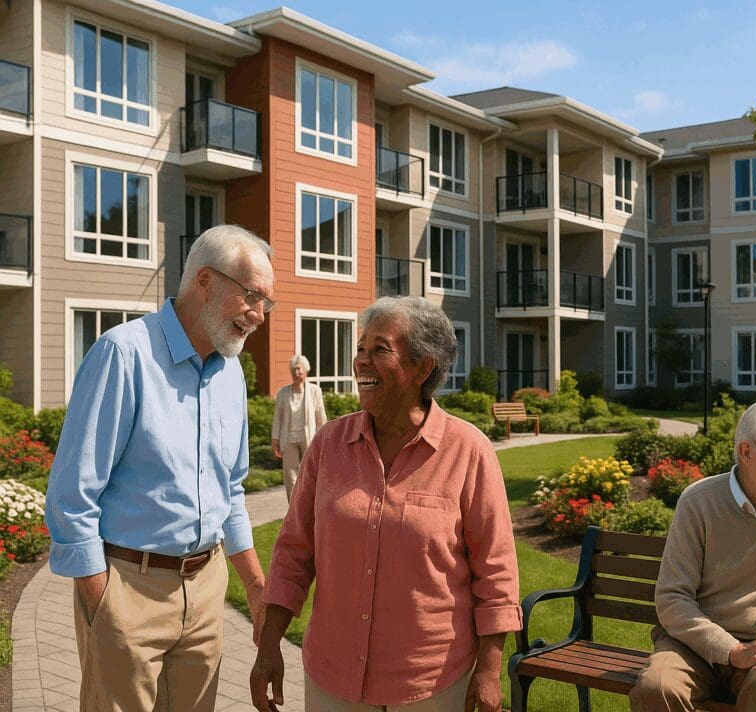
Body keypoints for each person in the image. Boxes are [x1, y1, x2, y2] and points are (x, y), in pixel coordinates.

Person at [250, 296, 521, 712]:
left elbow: (496, 575)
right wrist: (268, 645)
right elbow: (293, 553)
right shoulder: (328, 445)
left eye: (380, 349)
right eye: (360, 349)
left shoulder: (468, 452)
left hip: (432, 682)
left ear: (422, 367)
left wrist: (488, 671)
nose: (362, 361)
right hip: (332, 678)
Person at [44, 225, 273, 711]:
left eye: (266, 304)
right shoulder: (123, 354)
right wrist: (102, 601)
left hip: (208, 590)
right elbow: (72, 494)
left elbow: (230, 491)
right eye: (252, 296)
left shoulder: (230, 373)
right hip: (128, 588)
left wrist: (254, 587)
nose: (259, 316)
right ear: (206, 281)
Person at [630, 401, 756, 712]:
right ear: (746, 452)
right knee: (656, 688)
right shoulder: (698, 502)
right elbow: (673, 598)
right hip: (694, 648)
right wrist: (731, 650)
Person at [271, 354, 328, 500]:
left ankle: (310, 507)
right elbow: (278, 418)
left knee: (309, 474)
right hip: (289, 439)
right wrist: (275, 440)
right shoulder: (283, 393)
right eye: (293, 370)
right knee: (291, 477)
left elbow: (320, 416)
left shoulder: (315, 391)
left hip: (308, 438)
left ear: (305, 370)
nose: (296, 373)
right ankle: (293, 510)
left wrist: (324, 439)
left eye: (298, 369)